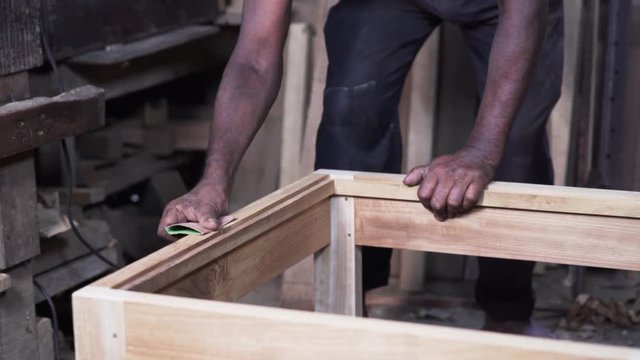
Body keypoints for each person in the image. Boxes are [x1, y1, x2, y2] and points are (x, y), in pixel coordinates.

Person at [158, 0, 563, 335]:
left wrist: (480, 152)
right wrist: (212, 181)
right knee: (350, 112)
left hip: (510, 8)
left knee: (513, 140)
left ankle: (508, 313)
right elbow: (254, 59)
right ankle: (352, 311)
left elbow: (524, 11)